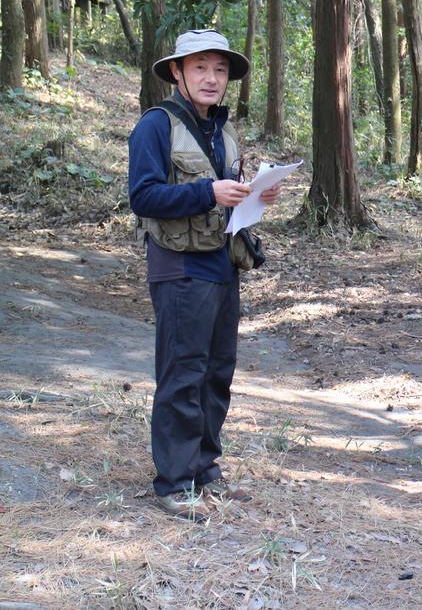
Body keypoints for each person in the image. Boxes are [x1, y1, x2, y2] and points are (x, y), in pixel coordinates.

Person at [128, 29, 282, 521]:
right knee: (182, 372)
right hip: (179, 268)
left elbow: (225, 194)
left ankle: (203, 470)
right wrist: (208, 193)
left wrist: (256, 195)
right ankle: (173, 482)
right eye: (200, 68)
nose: (212, 78)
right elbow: (143, 196)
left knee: (217, 372)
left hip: (222, 263)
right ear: (177, 72)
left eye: (219, 70)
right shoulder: (155, 126)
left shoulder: (223, 129)